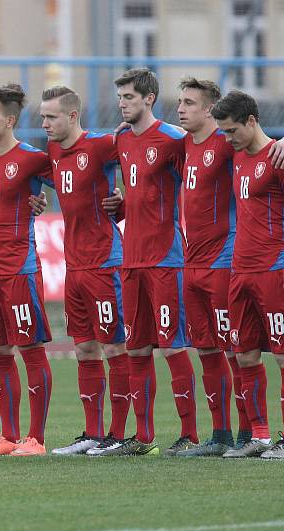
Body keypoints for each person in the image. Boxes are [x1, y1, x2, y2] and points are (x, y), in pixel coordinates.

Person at [38, 86, 132, 456]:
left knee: (113, 346)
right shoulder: (53, 152)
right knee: (84, 350)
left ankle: (119, 434)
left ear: (72, 116)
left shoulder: (101, 145)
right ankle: (92, 433)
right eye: (42, 116)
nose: (44, 123)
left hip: (104, 263)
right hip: (74, 265)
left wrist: (124, 196)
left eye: (51, 117)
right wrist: (36, 198)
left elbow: (139, 161)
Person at [108, 68, 194, 456]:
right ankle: (143, 439)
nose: (122, 103)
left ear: (149, 99)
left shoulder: (175, 139)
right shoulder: (121, 138)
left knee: (172, 347)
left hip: (166, 259)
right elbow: (139, 190)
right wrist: (121, 206)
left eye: (129, 97)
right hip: (131, 259)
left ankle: (190, 434)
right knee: (137, 349)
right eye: (120, 97)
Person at [0, 83, 54, 457]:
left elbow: (70, 185)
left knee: (30, 350)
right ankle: (7, 435)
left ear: (10, 120)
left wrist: (43, 198)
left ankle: (35, 438)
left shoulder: (33, 159)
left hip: (18, 269)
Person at [174, 78, 251, 456]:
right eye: (180, 102)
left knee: (236, 350)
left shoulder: (227, 143)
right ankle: (218, 435)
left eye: (189, 102)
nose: (181, 108)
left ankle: (249, 432)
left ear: (210, 109)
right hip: (191, 261)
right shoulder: (183, 143)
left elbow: (261, 147)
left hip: (223, 259)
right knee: (205, 350)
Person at [211, 90, 284, 459]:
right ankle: (259, 436)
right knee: (245, 355)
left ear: (252, 121)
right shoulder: (237, 154)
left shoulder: (278, 157)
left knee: (283, 356)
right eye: (223, 132)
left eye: (232, 130)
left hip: (274, 270)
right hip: (240, 271)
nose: (227, 138)